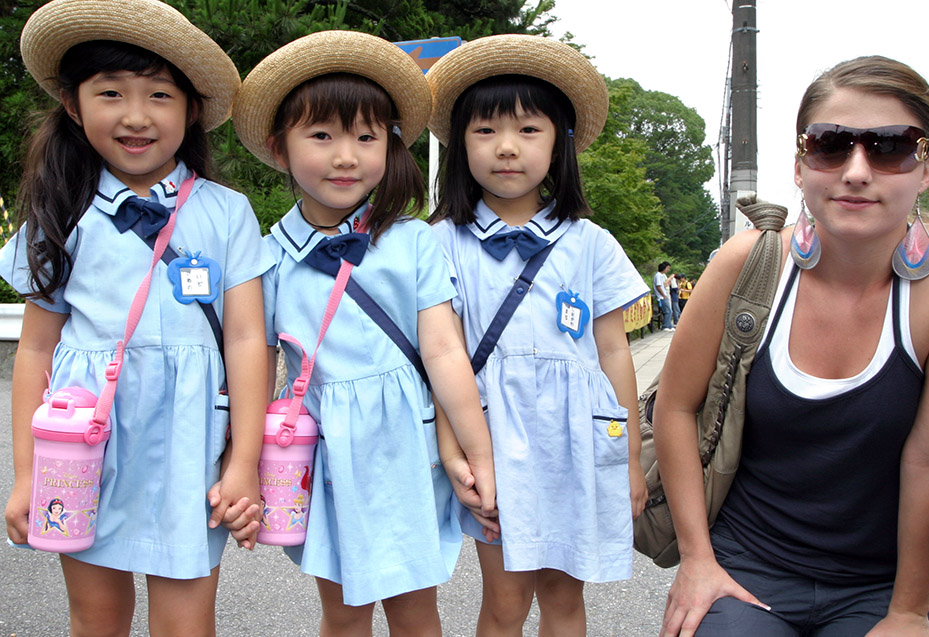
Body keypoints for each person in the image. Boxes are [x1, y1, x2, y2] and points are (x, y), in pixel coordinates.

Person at [655, 55, 929, 636]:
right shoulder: (747, 263)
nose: (857, 170)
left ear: (927, 169)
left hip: (881, 582)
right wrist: (697, 560)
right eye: (830, 145)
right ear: (799, 166)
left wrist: (909, 612)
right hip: (748, 566)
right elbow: (675, 407)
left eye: (891, 147)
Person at [0, 0, 272, 634]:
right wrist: (26, 474)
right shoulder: (57, 208)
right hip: (81, 445)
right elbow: (36, 350)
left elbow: (248, 337)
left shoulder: (226, 212)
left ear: (191, 109)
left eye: (159, 95)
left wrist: (244, 461)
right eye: (111, 93)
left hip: (190, 443)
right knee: (95, 615)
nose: (135, 115)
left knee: (186, 620)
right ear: (73, 105)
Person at [231, 31, 494, 637]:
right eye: (321, 135)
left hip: (409, 448)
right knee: (343, 613)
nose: (345, 156)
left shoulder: (414, 242)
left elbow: (445, 351)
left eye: (366, 137)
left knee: (414, 612)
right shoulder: (265, 257)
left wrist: (480, 455)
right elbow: (251, 363)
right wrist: (238, 462)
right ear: (279, 147)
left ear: (390, 146)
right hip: (323, 452)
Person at [427, 34, 649, 636]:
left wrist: (629, 459)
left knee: (564, 601)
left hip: (575, 441)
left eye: (529, 130)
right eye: (485, 131)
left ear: (561, 142)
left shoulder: (591, 243)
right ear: (459, 145)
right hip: (494, 439)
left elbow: (613, 354)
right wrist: (461, 456)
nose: (506, 148)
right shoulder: (439, 242)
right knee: (503, 605)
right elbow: (440, 360)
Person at [654, 261, 675, 331]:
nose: (667, 270)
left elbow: (662, 285)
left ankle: (669, 325)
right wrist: (663, 295)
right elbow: (658, 286)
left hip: (663, 295)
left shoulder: (661, 275)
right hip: (662, 296)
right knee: (668, 311)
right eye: (667, 268)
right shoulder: (658, 275)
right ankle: (665, 326)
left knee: (669, 310)